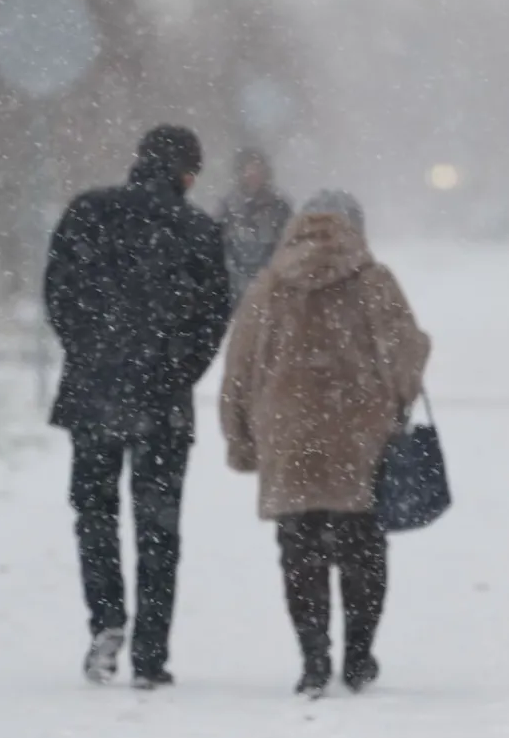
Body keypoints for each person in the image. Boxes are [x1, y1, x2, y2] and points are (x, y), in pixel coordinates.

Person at [219, 190, 430, 698]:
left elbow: (239, 371)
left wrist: (241, 438)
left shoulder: (268, 287)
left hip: (288, 437)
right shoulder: (374, 282)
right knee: (363, 550)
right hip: (360, 437)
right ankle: (358, 657)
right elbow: (407, 355)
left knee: (299, 551)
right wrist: (397, 402)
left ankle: (314, 658)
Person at [44, 124, 231, 688]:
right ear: (188, 173)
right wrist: (176, 372)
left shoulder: (87, 212)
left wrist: (89, 352)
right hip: (163, 403)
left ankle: (106, 621)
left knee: (94, 515)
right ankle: (151, 653)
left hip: (94, 394)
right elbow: (213, 319)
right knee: (159, 527)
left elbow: (58, 295)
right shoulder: (197, 230)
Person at [216, 146, 294, 304]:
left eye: (257, 168)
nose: (253, 174)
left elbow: (288, 244)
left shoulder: (279, 207)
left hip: (271, 286)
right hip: (234, 285)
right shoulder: (228, 206)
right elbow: (218, 244)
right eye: (248, 168)